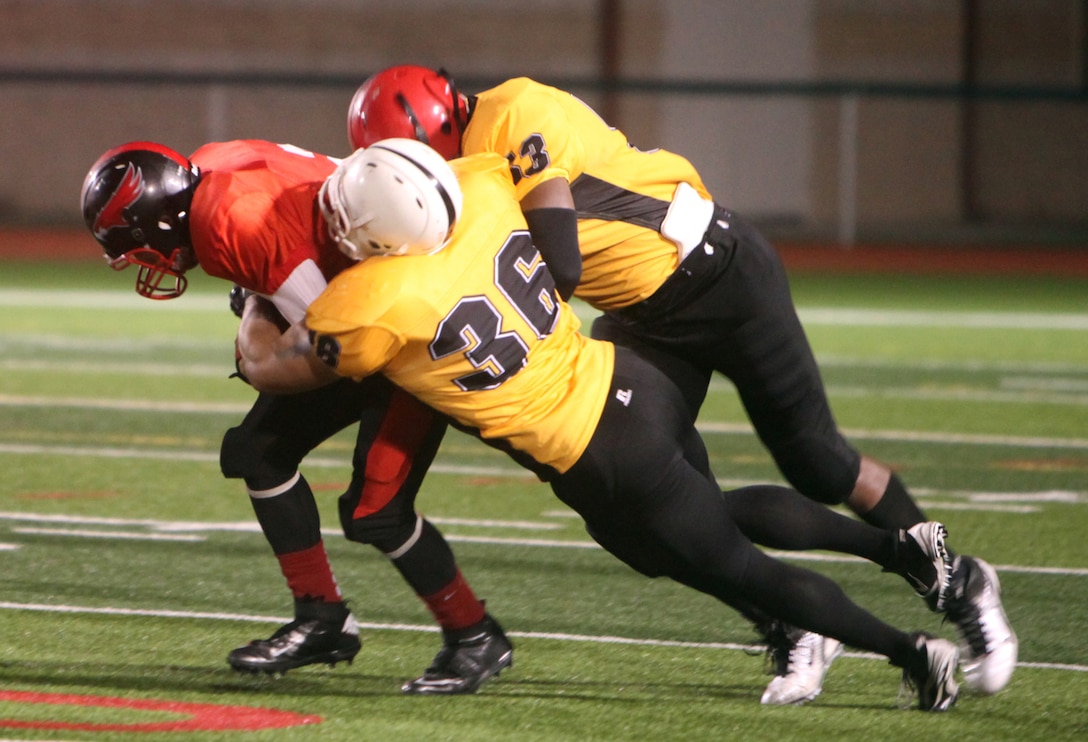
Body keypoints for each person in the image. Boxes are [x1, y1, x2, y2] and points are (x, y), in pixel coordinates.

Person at [345, 66, 1017, 702]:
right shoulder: (468, 164)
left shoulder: (512, 112)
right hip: (643, 316)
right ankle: (787, 622)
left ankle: (958, 583)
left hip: (718, 276)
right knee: (646, 517)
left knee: (817, 462)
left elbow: (564, 263)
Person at [79, 139, 513, 694]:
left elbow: (337, 347)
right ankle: (321, 618)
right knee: (256, 452)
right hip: (377, 289)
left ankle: (474, 635)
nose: (144, 263)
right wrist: (263, 293)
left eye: (140, 248)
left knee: (376, 511)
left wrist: (254, 330)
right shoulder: (212, 161)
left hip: (408, 333)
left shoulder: (229, 226)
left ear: (161, 222)